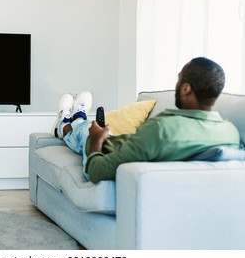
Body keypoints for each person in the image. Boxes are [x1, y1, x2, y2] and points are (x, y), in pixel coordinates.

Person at [51, 57, 240, 184]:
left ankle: (66, 125)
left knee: (88, 130)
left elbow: (97, 172)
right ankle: (76, 119)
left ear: (186, 89)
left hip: (107, 150)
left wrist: (97, 140)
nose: (176, 85)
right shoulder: (230, 133)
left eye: (179, 80)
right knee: (101, 130)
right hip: (135, 147)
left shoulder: (161, 129)